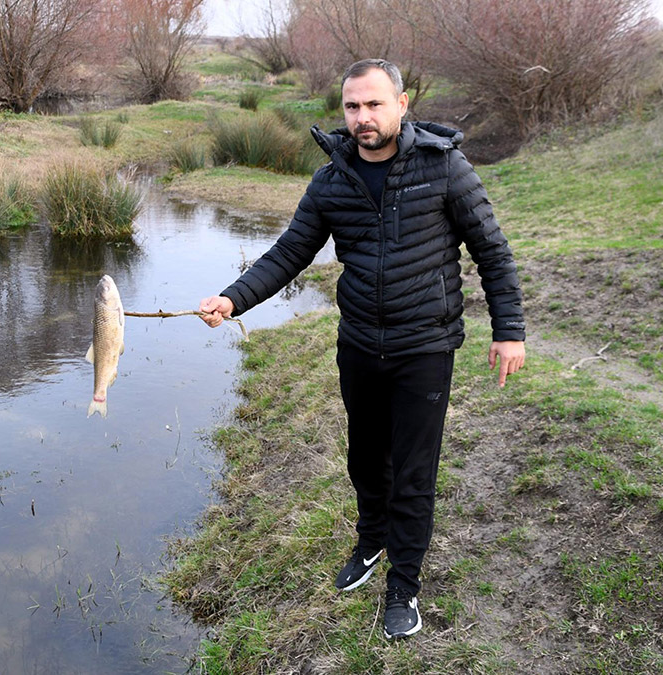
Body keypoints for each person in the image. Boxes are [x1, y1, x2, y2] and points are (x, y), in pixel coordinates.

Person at [198, 58, 526, 639]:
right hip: (358, 346)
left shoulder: (444, 167)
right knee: (365, 459)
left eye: (374, 104)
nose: (362, 117)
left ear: (402, 104)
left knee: (414, 474)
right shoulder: (332, 179)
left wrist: (509, 331)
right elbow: (289, 252)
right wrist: (233, 299)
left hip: (424, 346)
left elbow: (492, 251)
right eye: (352, 106)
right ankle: (371, 540)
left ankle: (404, 585)